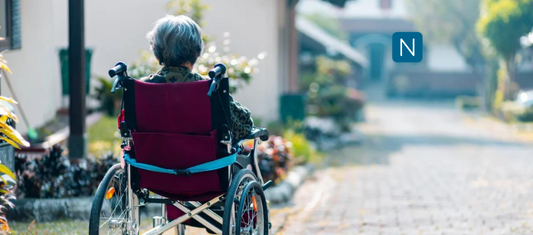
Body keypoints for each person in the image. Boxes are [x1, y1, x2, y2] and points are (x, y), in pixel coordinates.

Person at [140, 15, 253, 142]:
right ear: (196, 53)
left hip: (151, 159)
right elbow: (245, 125)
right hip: (203, 160)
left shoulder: (140, 89)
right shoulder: (210, 87)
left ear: (157, 54)